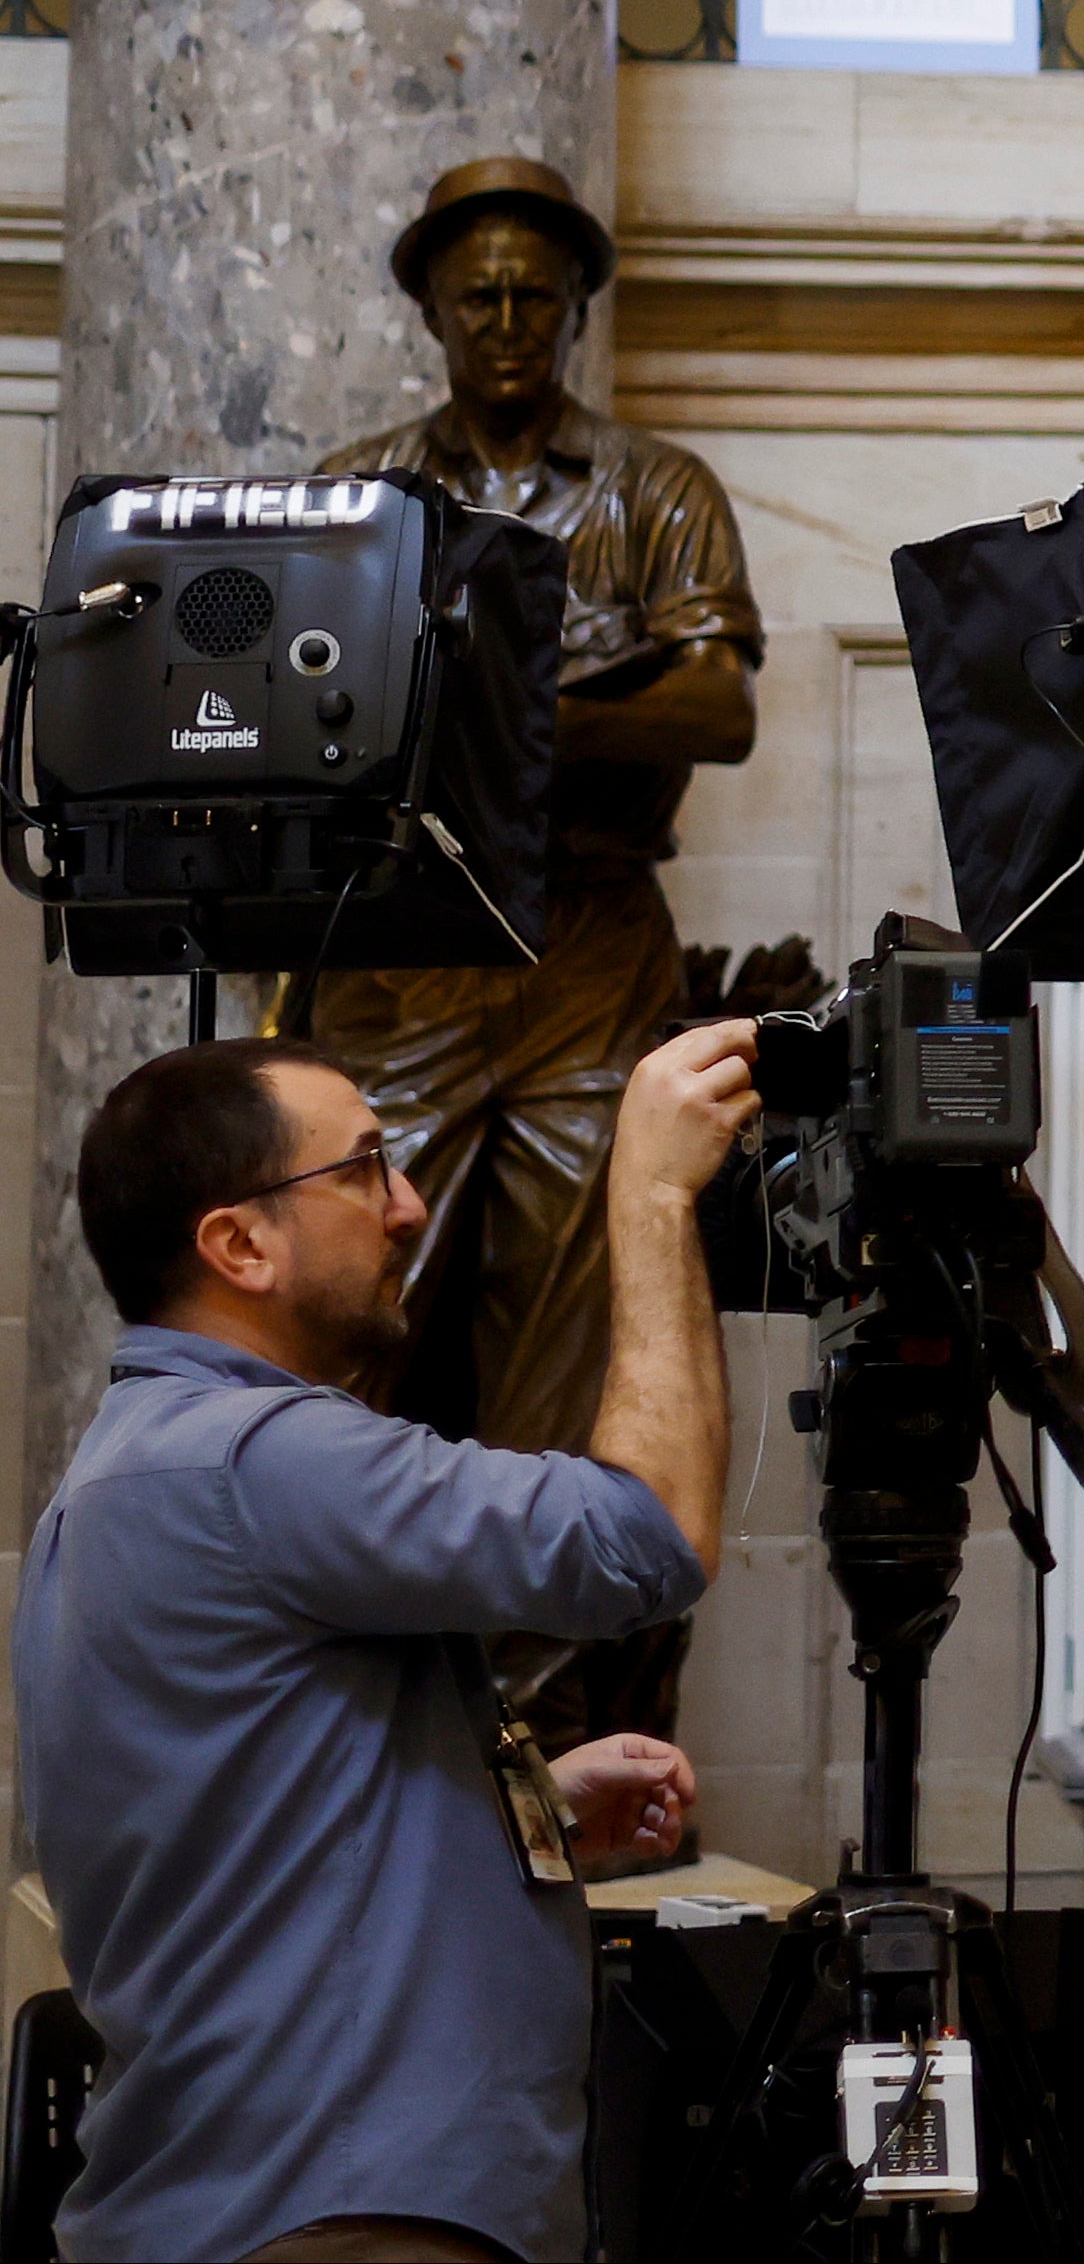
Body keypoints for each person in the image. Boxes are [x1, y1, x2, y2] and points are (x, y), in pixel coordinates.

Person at [14, 1019, 756, 2264]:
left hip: (269, 2199)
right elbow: (647, 1540)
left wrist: (500, 1813)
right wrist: (648, 1192)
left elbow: (227, 1817)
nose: (409, 1207)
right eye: (364, 1167)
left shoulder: (139, 1467)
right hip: (338, 2215)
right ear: (237, 1242)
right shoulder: (262, 1459)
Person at [306, 152, 766, 1752]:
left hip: (587, 932)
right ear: (431, 307)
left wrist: (496, 708)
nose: (507, 319)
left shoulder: (654, 487)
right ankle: (352, 1717)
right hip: (407, 940)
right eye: (476, 292)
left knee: (581, 1328)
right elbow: (326, 725)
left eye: (534, 291)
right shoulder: (360, 491)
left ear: (576, 304)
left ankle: (544, 1746)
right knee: (358, 1302)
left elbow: (717, 704)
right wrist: (587, 689)